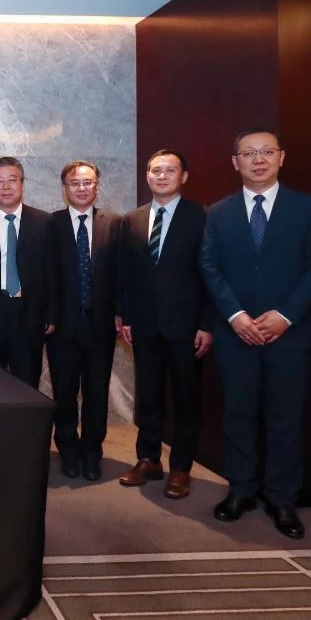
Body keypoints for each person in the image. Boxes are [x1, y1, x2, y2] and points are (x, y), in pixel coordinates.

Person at [199, 129, 311, 539]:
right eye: (249, 153)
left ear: (281, 157)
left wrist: (286, 316)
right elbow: (209, 267)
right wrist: (236, 316)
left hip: (291, 335)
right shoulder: (218, 212)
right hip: (235, 334)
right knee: (238, 415)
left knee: (285, 418)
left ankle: (282, 498)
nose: (258, 160)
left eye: (266, 152)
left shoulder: (309, 209)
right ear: (235, 162)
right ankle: (241, 490)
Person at [116, 150, 212, 499]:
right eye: (156, 170)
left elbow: (211, 274)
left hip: (187, 326)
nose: (162, 176)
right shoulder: (132, 219)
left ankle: (182, 467)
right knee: (148, 395)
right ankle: (148, 459)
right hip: (144, 325)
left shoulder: (202, 217)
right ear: (147, 176)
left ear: (183, 176)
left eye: (170, 170)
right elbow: (126, 273)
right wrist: (126, 317)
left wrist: (207, 324)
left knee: (186, 398)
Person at [46, 161, 122, 481]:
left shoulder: (114, 223)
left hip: (101, 325)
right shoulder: (51, 224)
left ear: (97, 186)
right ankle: (68, 449)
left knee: (96, 392)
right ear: (64, 187)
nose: (81, 188)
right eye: (74, 182)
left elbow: (122, 274)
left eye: (87, 182)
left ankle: (92, 452)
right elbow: (44, 276)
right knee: (63, 393)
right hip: (61, 326)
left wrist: (121, 313)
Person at [0, 156, 55, 385]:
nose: (6, 186)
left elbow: (52, 273)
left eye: (12, 180)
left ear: (22, 184)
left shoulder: (44, 222)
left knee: (27, 388)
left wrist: (51, 314)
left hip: (30, 318)